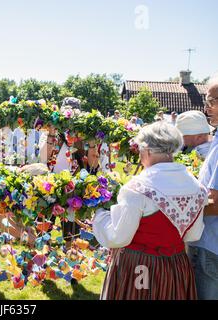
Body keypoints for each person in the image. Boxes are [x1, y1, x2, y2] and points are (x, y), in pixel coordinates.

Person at [93, 121, 208, 300]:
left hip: (139, 267)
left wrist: (100, 216)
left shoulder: (138, 188)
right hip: (175, 266)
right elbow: (192, 235)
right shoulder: (197, 187)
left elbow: (118, 237)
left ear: (147, 151)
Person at [187, 77, 218, 300]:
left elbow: (215, 204)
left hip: (210, 245)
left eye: (211, 101)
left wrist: (178, 212)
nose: (206, 108)